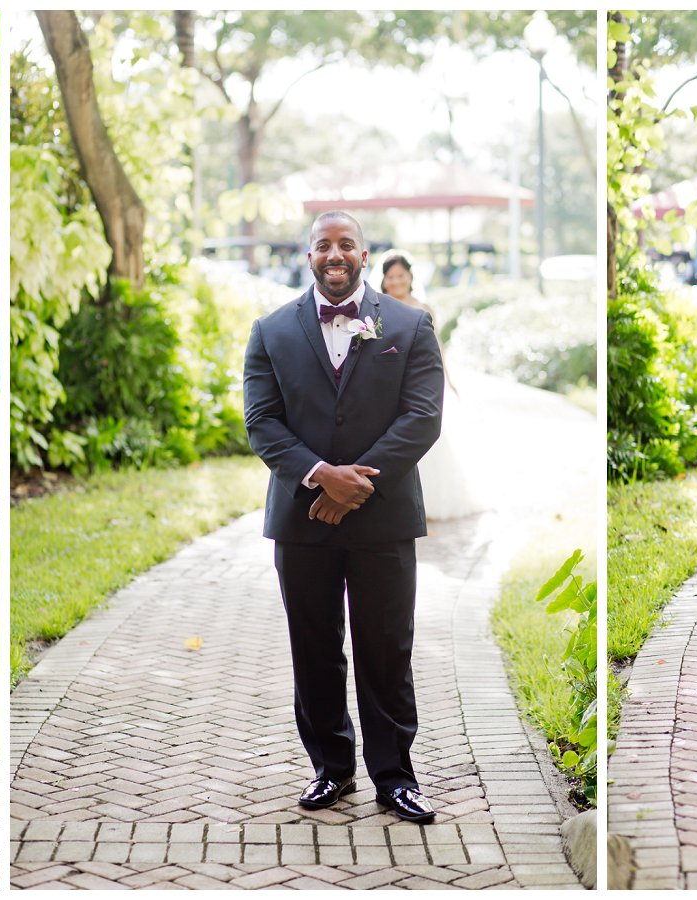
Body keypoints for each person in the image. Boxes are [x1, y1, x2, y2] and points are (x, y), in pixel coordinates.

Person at [243, 211, 444, 823]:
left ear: (364, 254)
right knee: (315, 648)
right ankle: (331, 769)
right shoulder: (271, 330)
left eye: (346, 244)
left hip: (383, 518)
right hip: (303, 520)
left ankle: (394, 776)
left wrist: (354, 484)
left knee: (387, 647)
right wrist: (320, 477)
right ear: (308, 256)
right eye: (323, 244)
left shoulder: (409, 325)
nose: (335, 253)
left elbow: (422, 416)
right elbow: (262, 422)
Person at [378, 250, 485, 520]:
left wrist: (447, 378)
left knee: (423, 433)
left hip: (416, 382)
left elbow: (437, 348)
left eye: (401, 275)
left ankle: (426, 500)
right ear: (384, 280)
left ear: (410, 277)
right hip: (386, 383)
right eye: (391, 277)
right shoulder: (377, 308)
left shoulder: (423, 309)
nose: (396, 281)